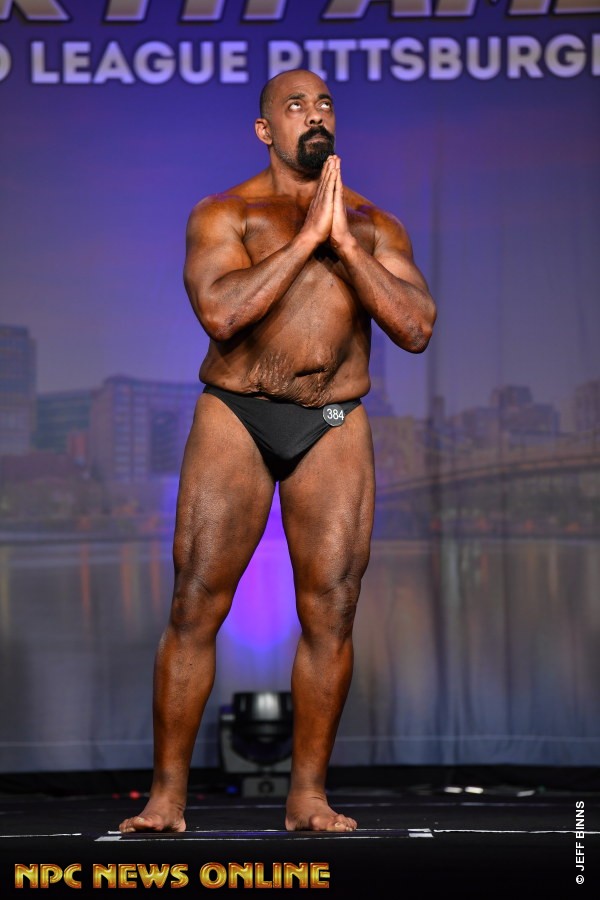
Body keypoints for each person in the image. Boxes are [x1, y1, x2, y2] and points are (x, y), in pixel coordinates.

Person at [119, 68, 436, 835]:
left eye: (323, 103)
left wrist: (343, 246)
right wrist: (305, 242)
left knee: (332, 610)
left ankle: (308, 796)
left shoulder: (374, 225)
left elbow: (416, 327)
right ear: (266, 130)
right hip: (237, 413)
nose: (313, 114)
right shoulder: (224, 212)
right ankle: (166, 798)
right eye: (295, 106)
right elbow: (221, 313)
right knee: (197, 602)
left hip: (333, 417)